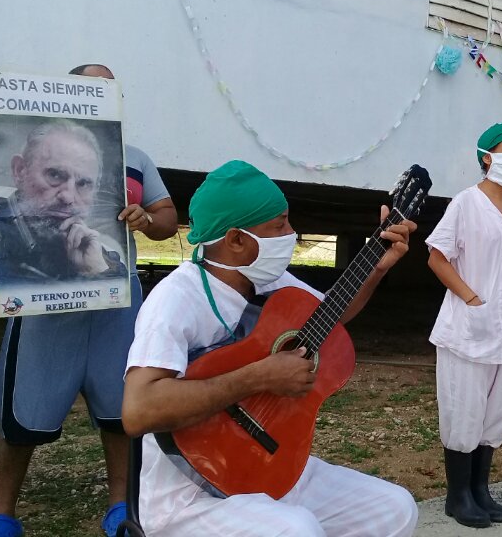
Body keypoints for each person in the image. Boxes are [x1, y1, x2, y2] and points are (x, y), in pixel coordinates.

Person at [121, 160, 419, 536]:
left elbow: (328, 318)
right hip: (189, 494)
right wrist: (258, 376)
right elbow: (138, 410)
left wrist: (377, 265)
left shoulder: (269, 279)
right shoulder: (175, 298)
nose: (292, 233)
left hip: (269, 463)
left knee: (394, 509)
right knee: (295, 531)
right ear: (236, 240)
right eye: (279, 225)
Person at [0, 64, 178, 537]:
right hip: (42, 311)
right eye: (89, 88)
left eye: (108, 89)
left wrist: (146, 221)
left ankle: (120, 509)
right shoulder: (26, 152)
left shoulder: (133, 157)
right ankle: (3, 513)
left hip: (115, 304)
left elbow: (168, 218)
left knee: (121, 411)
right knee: (22, 415)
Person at [425, 122, 502, 528]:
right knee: (464, 411)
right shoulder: (465, 203)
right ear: (487, 157)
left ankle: (480, 490)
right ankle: (457, 497)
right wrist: (472, 298)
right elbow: (437, 256)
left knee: (498, 410)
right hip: (468, 328)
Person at [0, 118, 127, 283]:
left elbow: (130, 306)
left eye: (83, 183)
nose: (68, 197)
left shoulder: (100, 252)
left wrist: (98, 272)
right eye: (54, 175)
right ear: (20, 170)